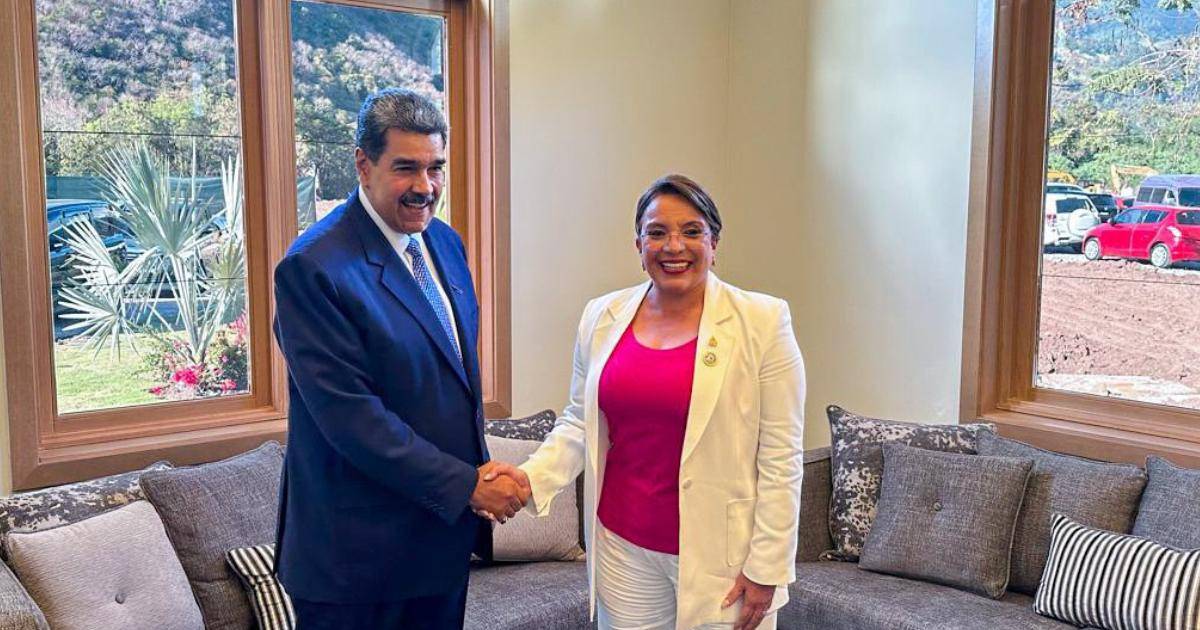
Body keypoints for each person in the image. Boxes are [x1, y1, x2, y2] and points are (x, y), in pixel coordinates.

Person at [272, 87, 529, 629]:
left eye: (436, 168)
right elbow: (352, 419)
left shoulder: (445, 244)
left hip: (438, 545)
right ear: (363, 165)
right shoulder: (314, 267)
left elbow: (449, 383)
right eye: (406, 168)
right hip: (354, 564)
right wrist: (468, 485)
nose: (425, 187)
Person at [502, 174, 806, 630]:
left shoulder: (763, 321)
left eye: (691, 231)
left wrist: (767, 567)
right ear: (638, 244)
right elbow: (579, 421)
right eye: (657, 232)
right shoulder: (601, 316)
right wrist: (528, 479)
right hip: (622, 548)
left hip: (722, 558)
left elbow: (782, 454)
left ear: (714, 242)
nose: (674, 246)